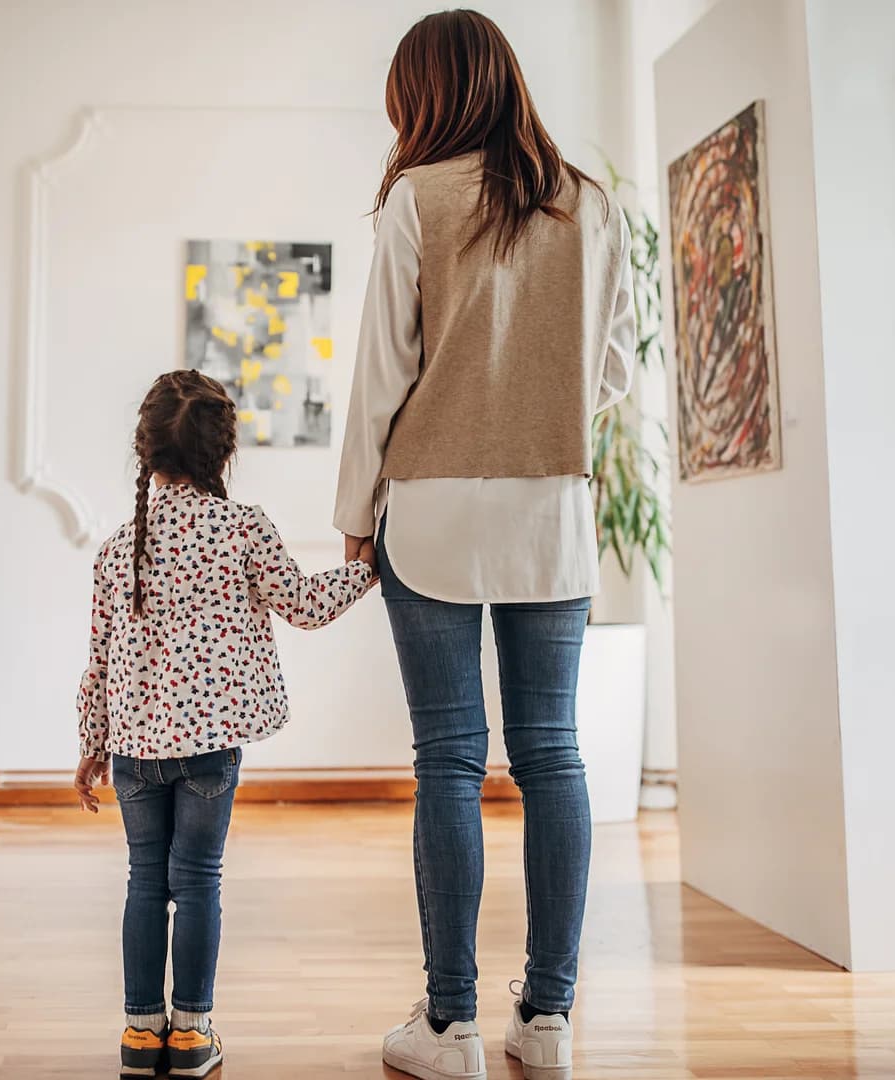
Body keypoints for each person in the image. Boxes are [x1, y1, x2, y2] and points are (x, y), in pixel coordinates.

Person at [333, 10, 635, 1079]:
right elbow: (611, 375)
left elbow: (382, 372)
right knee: (552, 754)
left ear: (428, 95)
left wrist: (352, 515)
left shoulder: (414, 199)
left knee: (449, 760)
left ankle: (448, 1026)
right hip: (548, 509)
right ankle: (546, 1022)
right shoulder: (587, 205)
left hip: (432, 509)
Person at [74, 369, 377, 1077]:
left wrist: (90, 746)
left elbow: (98, 660)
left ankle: (139, 1035)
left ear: (144, 452)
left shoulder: (118, 547)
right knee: (199, 880)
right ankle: (191, 1036)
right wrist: (364, 569)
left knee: (145, 882)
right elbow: (302, 604)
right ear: (224, 453)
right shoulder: (242, 528)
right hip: (211, 750)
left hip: (135, 753)